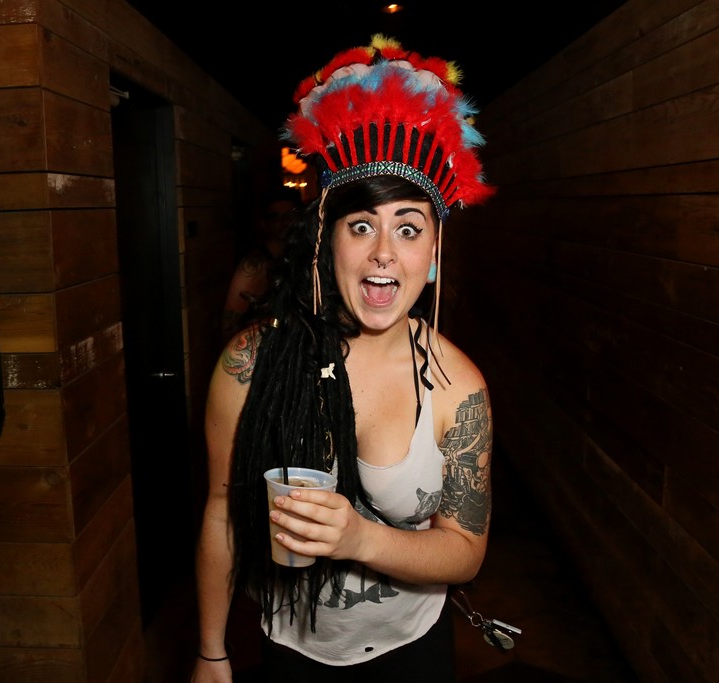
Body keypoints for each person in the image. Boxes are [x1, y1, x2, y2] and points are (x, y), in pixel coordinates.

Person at [192, 34, 496, 682]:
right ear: (326, 242)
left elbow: (465, 551)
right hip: (289, 650)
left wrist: (359, 537)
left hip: (411, 654)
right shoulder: (248, 365)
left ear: (433, 254)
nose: (384, 251)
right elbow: (222, 511)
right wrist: (211, 649)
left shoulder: (458, 387)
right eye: (361, 226)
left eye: (408, 228)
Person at [221, 185, 303, 342]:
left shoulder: (302, 257)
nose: (284, 222)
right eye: (275, 217)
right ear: (264, 224)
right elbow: (229, 325)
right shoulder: (253, 266)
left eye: (290, 215)